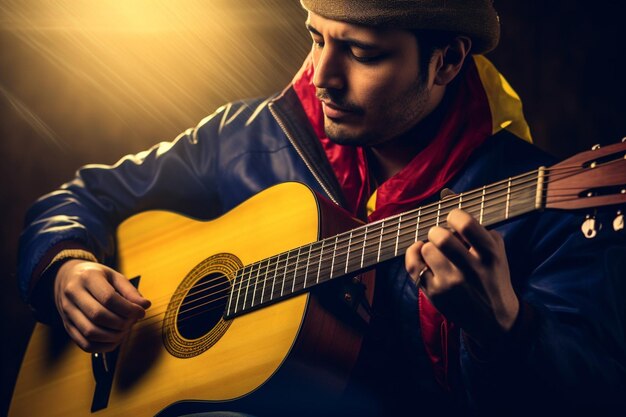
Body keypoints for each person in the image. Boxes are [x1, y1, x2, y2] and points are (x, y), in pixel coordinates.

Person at [17, 0, 626, 416]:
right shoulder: (247, 134)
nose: (321, 75)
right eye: (316, 38)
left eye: (360, 53)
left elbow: (596, 395)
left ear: (447, 61)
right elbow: (81, 199)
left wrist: (506, 333)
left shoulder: (543, 204)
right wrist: (68, 267)